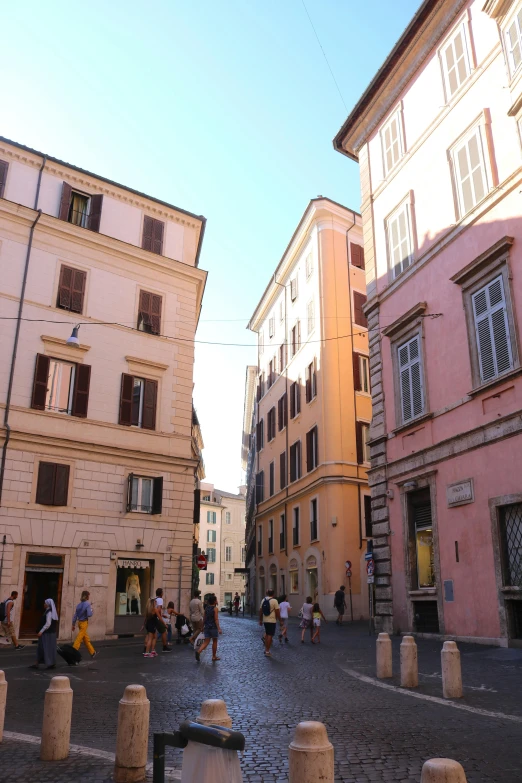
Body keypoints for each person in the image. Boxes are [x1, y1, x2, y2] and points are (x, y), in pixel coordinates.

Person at [30, 599, 58, 669]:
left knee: (45, 648)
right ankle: (38, 663)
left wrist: (41, 631)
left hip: (47, 633)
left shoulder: (49, 612)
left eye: (45, 603)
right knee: (43, 647)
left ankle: (49, 663)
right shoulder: (47, 611)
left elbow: (48, 624)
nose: (44, 604)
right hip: (49, 633)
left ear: (48, 604)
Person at [195, 594, 222, 662]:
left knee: (206, 641)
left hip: (207, 627)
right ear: (214, 601)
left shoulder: (206, 608)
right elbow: (216, 619)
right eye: (216, 600)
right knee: (215, 641)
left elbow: (204, 618)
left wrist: (202, 626)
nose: (217, 601)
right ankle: (214, 656)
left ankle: (199, 651)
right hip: (213, 627)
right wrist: (218, 628)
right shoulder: (215, 609)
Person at [72, 590, 97, 659]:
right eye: (89, 595)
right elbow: (89, 614)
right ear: (86, 596)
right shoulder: (87, 604)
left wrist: (73, 625)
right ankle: (73, 650)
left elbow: (75, 616)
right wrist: (92, 610)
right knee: (79, 638)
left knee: (85, 638)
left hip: (79, 623)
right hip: (84, 623)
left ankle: (92, 652)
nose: (89, 597)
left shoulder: (78, 605)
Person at [259, 588, 281, 657]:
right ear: (273, 594)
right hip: (272, 620)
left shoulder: (263, 600)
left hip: (265, 619)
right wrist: (280, 620)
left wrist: (260, 619)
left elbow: (260, 610)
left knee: (267, 634)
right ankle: (267, 651)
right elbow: (277, 611)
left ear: (267, 593)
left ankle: (266, 649)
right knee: (270, 635)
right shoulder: (274, 601)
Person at [153, 588, 171, 652]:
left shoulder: (154, 598)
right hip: (157, 617)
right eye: (162, 592)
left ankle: (146, 648)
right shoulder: (160, 599)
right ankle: (164, 646)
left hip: (153, 617)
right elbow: (159, 609)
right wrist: (160, 616)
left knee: (150, 634)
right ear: (161, 593)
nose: (163, 593)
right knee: (164, 631)